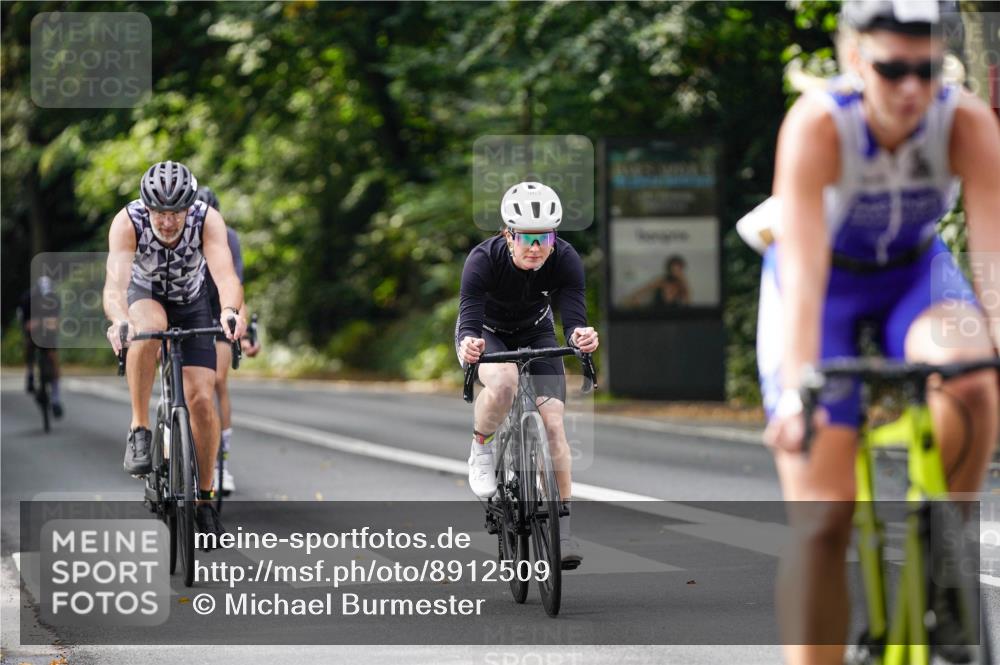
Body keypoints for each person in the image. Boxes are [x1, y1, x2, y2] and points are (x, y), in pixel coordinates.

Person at [755, 2, 1000, 663]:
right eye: (893, 70)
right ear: (856, 61)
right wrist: (797, 385)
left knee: (976, 378)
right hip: (821, 287)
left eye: (926, 70)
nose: (912, 89)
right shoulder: (819, 125)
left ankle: (944, 555)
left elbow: (994, 264)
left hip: (913, 279)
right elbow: (802, 272)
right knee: (823, 519)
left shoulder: (966, 121)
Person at [456, 181, 600, 569]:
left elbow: (573, 320)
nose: (536, 247)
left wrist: (580, 337)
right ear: (509, 235)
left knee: (554, 426)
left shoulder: (565, 259)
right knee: (503, 384)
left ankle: (563, 530)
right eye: (527, 238)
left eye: (545, 237)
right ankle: (481, 445)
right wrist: (470, 345)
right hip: (487, 334)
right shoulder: (482, 260)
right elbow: (469, 318)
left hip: (536, 331)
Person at [103, 161, 246, 540]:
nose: (167, 222)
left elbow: (226, 275)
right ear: (146, 207)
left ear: (189, 206)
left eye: (175, 212)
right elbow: (114, 286)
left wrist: (230, 311)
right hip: (145, 295)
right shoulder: (127, 221)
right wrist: (119, 319)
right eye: (160, 213)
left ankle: (203, 498)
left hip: (192, 299)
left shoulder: (206, 219)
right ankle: (139, 427)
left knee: (201, 397)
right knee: (148, 329)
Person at [194, 185, 261, 496]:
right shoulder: (177, 233)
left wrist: (243, 333)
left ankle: (220, 462)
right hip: (182, 309)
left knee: (217, 380)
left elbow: (235, 288)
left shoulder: (228, 238)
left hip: (217, 310)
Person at [18, 276, 63, 417]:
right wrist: (30, 324)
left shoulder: (55, 299)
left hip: (47, 329)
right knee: (29, 344)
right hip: (31, 323)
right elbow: (24, 322)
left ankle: (56, 399)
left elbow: (56, 322)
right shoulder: (27, 299)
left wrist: (50, 324)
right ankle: (30, 373)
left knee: (53, 356)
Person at [622, 254, 692, 308]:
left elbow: (687, 303)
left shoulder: (682, 283)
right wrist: (632, 299)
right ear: (669, 269)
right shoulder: (662, 280)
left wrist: (683, 282)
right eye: (673, 270)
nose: (675, 272)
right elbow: (643, 290)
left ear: (682, 269)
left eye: (678, 270)